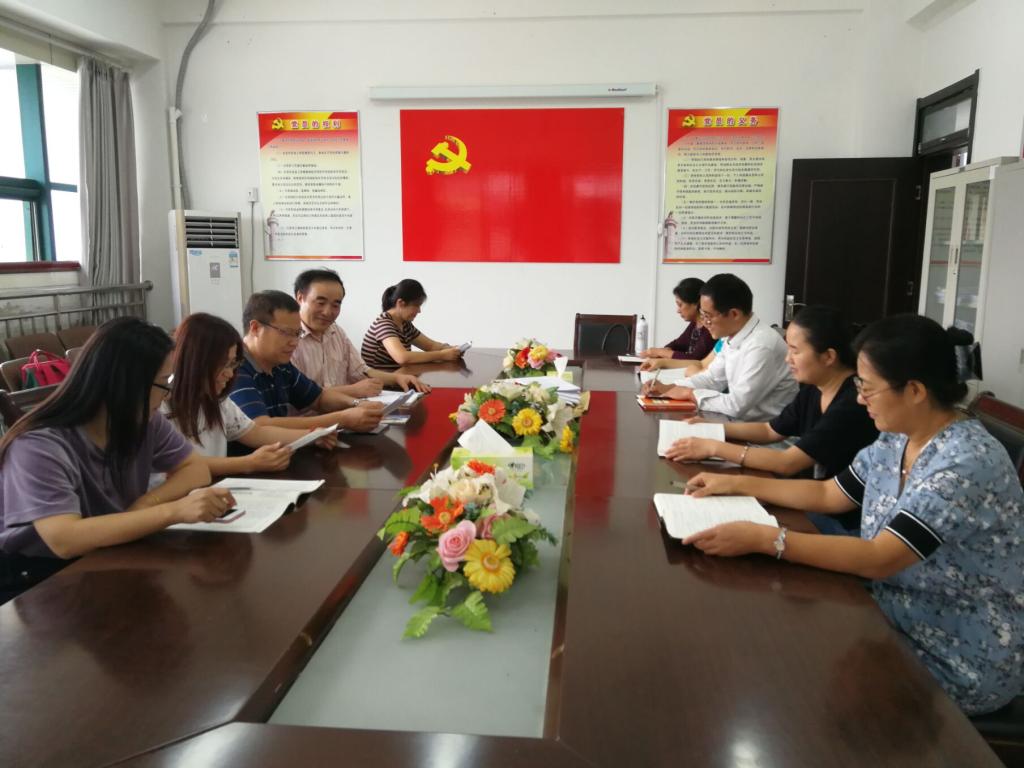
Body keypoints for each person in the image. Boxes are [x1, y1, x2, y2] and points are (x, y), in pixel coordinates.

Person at [682, 314, 1024, 716]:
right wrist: (737, 484)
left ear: (915, 390)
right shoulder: (897, 437)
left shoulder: (964, 462)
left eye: (867, 387)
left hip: (955, 653)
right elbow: (830, 493)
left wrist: (766, 539)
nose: (860, 399)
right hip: (890, 615)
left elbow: (881, 557)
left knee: (784, 679)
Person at [0, 317, 233, 589]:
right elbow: (64, 539)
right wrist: (173, 511)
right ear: (125, 384)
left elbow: (195, 469)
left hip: (111, 551)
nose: (168, 395)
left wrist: (146, 504)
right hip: (42, 576)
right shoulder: (38, 445)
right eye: (163, 383)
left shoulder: (144, 420)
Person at [665, 306, 878, 533]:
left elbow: (787, 463)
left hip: (841, 520)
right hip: (811, 498)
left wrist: (713, 446)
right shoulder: (815, 389)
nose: (787, 359)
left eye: (795, 351)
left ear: (828, 357)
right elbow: (770, 430)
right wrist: (715, 429)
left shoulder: (851, 404)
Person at [166, 312, 336, 476]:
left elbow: (256, 433)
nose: (230, 373)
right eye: (223, 364)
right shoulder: (161, 406)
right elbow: (181, 464)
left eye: (232, 364)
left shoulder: (219, 401)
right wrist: (249, 463)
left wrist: (312, 436)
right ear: (196, 362)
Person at [641, 273, 796, 420]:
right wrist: (670, 387)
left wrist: (690, 393)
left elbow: (737, 405)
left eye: (707, 316)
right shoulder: (732, 336)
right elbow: (712, 378)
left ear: (734, 314)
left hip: (759, 432)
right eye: (702, 315)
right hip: (737, 421)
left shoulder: (761, 345)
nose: (704, 322)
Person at [229, 291, 384, 432]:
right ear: (255, 328)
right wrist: (343, 419)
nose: (294, 342)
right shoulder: (233, 367)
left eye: (297, 333)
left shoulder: (281, 365)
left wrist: (357, 404)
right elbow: (259, 426)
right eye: (286, 333)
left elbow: (318, 398)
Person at [291, 269, 429, 394]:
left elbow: (361, 371)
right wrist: (353, 390)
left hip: (346, 406)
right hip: (316, 414)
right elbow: (298, 395)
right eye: (320, 303)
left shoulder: (336, 332)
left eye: (335, 305)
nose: (327, 312)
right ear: (300, 298)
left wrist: (397, 378)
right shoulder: (288, 339)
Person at [360, 279, 463, 371]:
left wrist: (452, 349)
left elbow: (430, 346)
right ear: (400, 303)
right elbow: (402, 357)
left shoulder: (405, 324)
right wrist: (442, 355)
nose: (419, 311)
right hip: (382, 383)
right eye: (416, 305)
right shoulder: (383, 324)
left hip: (399, 377)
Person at [638, 277, 714, 361]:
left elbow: (695, 359)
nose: (678, 310)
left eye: (680, 305)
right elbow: (678, 344)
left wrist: (661, 352)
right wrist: (664, 351)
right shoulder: (695, 323)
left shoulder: (710, 327)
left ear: (696, 304)